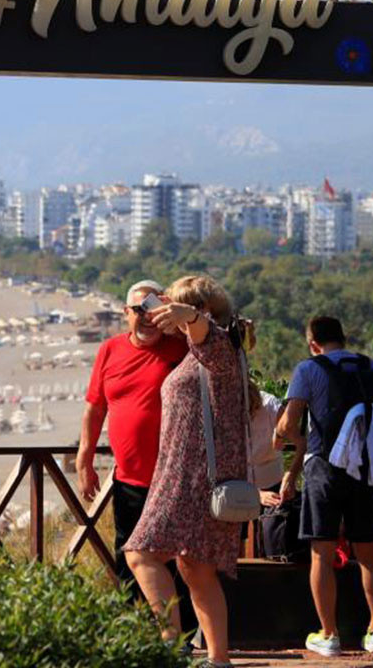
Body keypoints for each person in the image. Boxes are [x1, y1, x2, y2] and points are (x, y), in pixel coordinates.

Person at [122, 275, 251, 668]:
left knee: (141, 554)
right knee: (195, 568)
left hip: (194, 477)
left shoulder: (216, 346)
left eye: (173, 308)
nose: (167, 317)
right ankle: (218, 660)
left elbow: (202, 331)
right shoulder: (202, 353)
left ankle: (172, 648)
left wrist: (189, 315)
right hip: (196, 475)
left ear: (203, 311)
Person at [77, 279, 196, 635]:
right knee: (128, 562)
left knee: (178, 562)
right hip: (128, 479)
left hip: (174, 479)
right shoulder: (109, 350)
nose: (146, 318)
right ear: (126, 313)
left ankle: (181, 639)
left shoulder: (183, 349)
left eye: (153, 309)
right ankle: (139, 636)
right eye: (138, 311)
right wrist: (84, 457)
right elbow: (95, 407)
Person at [273, 316, 373, 656]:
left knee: (321, 553)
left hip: (324, 467)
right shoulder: (371, 367)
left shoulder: (308, 369)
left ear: (313, 343)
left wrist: (282, 434)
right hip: (364, 467)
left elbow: (289, 422)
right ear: (343, 337)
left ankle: (329, 634)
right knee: (368, 553)